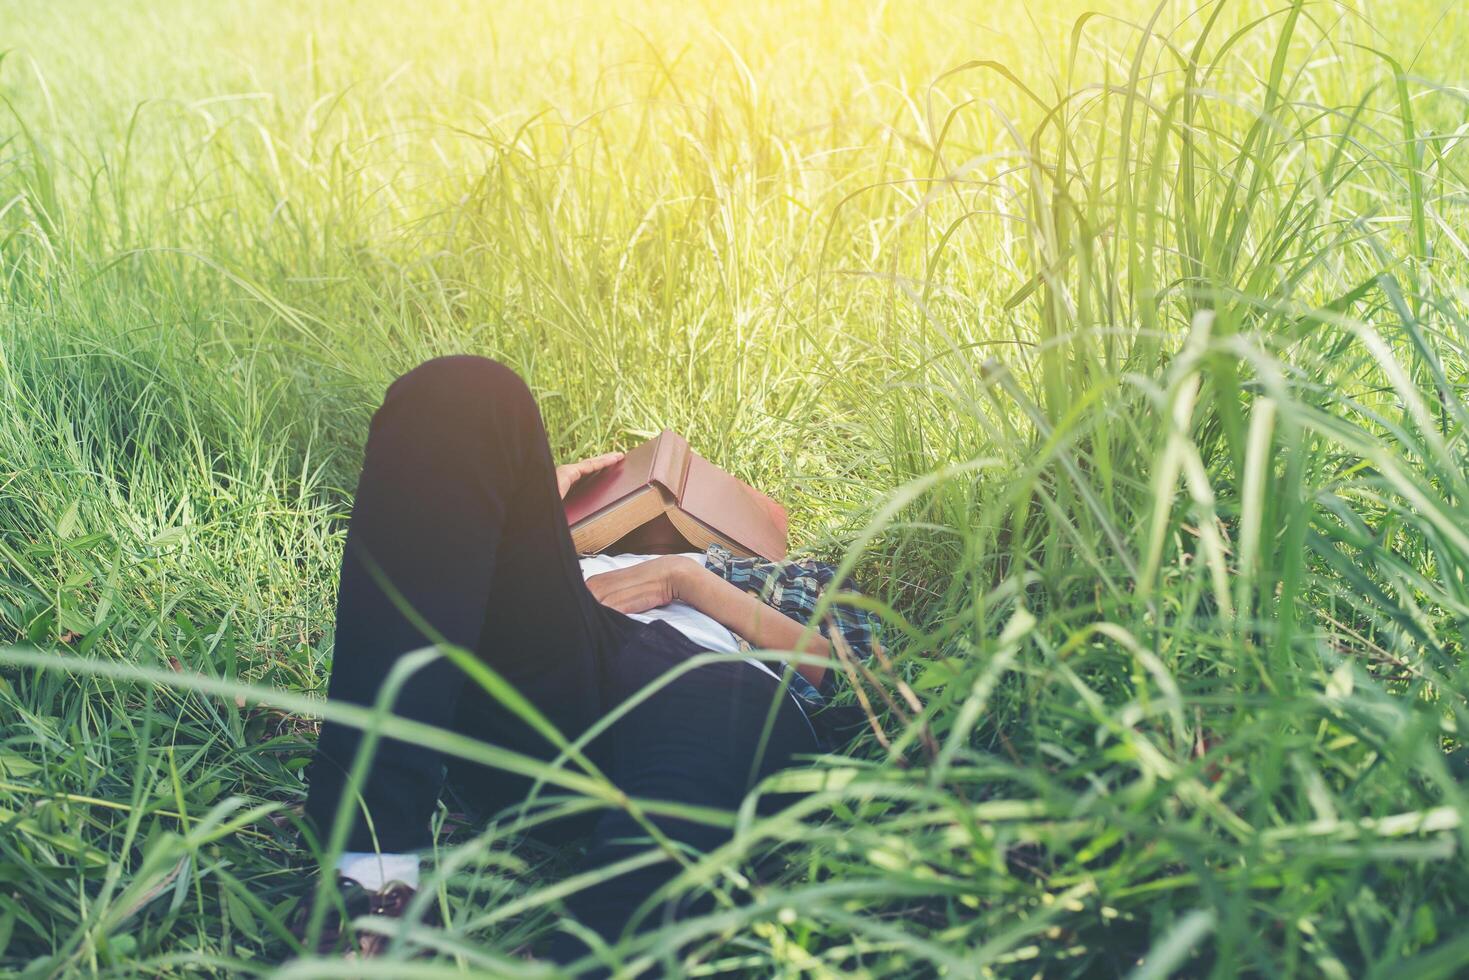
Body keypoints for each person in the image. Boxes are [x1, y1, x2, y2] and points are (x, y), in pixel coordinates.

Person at [296, 356, 876, 964]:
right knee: (466, 391)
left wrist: (687, 579)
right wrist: (525, 505)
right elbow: (444, 570)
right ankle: (371, 878)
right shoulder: (563, 558)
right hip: (566, 663)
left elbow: (859, 687)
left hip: (710, 681)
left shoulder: (774, 579)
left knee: (690, 779)